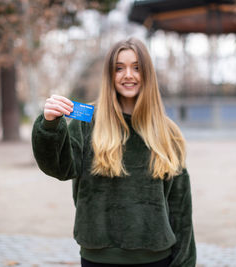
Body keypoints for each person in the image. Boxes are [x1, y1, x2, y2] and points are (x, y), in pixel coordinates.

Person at [32, 37, 196, 267]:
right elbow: (59, 167)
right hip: (98, 257)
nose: (128, 74)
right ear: (109, 75)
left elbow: (181, 208)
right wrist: (49, 124)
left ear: (148, 74)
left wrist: (185, 262)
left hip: (155, 258)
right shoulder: (87, 118)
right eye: (119, 68)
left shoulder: (167, 131)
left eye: (136, 67)